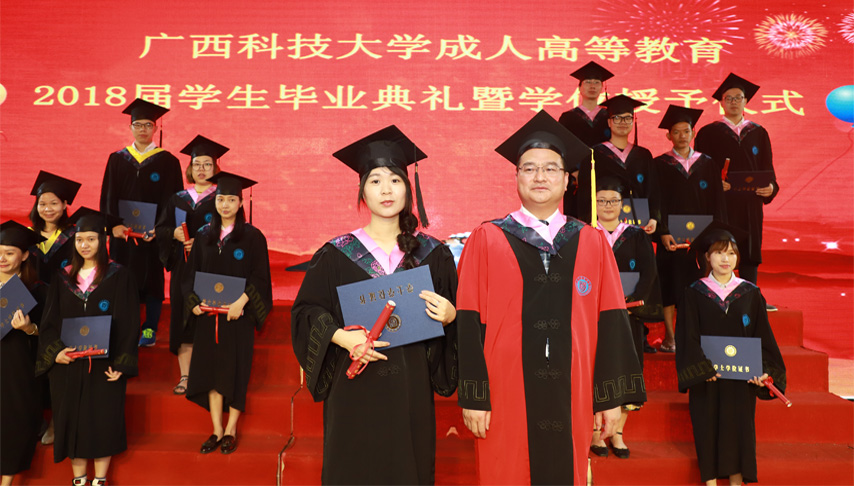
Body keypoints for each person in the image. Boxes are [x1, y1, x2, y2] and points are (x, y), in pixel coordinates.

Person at [456, 110, 645, 485]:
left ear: (568, 180)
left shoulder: (590, 241)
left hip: (572, 387)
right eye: (529, 169)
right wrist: (474, 396)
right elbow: (468, 319)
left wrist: (609, 398)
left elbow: (611, 320)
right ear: (516, 177)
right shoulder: (488, 238)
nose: (539, 177)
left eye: (550, 169)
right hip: (505, 388)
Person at [291, 125, 458, 485]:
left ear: (407, 189)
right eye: (376, 181)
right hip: (354, 390)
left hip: (410, 391)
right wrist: (341, 337)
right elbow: (306, 312)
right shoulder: (336, 254)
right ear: (362, 192)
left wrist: (451, 314)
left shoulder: (433, 254)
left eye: (395, 180)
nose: (386, 189)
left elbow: (457, 320)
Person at [35, 208, 140, 486]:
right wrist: (56, 353)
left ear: (102, 240)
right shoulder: (63, 277)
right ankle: (79, 479)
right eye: (80, 239)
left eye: (91, 239)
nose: (85, 245)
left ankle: (100, 480)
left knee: (101, 422)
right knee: (72, 422)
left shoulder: (119, 275)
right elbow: (49, 322)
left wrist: (121, 364)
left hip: (105, 365)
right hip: (69, 365)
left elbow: (129, 323)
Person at [675, 223, 786, 485]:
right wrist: (701, 369)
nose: (726, 259)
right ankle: (710, 482)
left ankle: (736, 482)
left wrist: (764, 371)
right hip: (708, 379)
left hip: (740, 380)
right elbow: (687, 337)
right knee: (708, 428)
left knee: (739, 431)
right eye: (719, 252)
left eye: (732, 253)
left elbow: (763, 336)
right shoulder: (694, 292)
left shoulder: (750, 293)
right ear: (707, 257)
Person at [184, 172, 272, 455]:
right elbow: (191, 274)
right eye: (221, 199)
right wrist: (193, 302)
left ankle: (231, 429)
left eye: (231, 200)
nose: (225, 205)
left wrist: (242, 302)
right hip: (208, 317)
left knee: (235, 370)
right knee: (210, 370)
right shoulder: (203, 236)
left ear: (240, 202)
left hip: (238, 317)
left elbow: (260, 277)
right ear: (215, 201)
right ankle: (216, 429)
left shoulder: (252, 237)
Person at [589, 176, 663, 459]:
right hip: (594, 317)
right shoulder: (585, 234)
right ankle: (595, 431)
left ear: (623, 204)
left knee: (626, 370)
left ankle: (618, 432)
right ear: (594, 203)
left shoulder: (636, 235)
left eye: (614, 201)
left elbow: (649, 272)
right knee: (596, 370)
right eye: (602, 200)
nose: (608, 205)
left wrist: (633, 302)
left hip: (628, 315)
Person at [99, 98, 183, 347]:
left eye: (148, 125)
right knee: (122, 279)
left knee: (153, 279)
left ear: (155, 128)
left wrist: (162, 229)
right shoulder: (117, 159)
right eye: (138, 125)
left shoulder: (168, 161)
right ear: (130, 128)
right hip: (122, 234)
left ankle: (149, 329)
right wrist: (112, 226)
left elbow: (172, 199)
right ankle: (127, 329)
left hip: (153, 234)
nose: (143, 129)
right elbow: (108, 196)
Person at [694, 73, 778, 302]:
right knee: (720, 247)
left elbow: (768, 169)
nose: (733, 102)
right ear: (721, 102)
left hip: (750, 204)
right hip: (721, 203)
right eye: (728, 98)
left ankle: (751, 299)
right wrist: (713, 184)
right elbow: (699, 170)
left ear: (745, 101)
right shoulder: (708, 132)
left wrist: (771, 187)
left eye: (738, 97)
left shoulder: (758, 132)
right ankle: (713, 297)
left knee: (749, 251)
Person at [155, 135, 224, 395]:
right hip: (183, 269)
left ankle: (206, 375)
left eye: (207, 164)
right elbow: (161, 229)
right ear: (190, 168)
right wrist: (172, 234)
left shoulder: (222, 198)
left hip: (211, 268)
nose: (202, 169)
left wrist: (204, 242)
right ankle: (185, 376)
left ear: (215, 168)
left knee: (206, 319)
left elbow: (232, 231)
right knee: (182, 321)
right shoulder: (178, 199)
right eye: (197, 164)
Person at [654, 105, 727, 353]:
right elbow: (656, 203)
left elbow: (717, 203)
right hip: (670, 240)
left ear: (693, 133)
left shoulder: (707, 164)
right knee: (669, 287)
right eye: (676, 132)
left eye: (686, 131)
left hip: (701, 240)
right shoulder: (660, 164)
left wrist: (715, 238)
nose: (682, 136)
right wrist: (662, 232)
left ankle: (696, 338)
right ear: (669, 136)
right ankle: (670, 337)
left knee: (699, 288)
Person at [0, 221, 47, 486]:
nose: (2, 258)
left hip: (17, 367)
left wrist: (29, 328)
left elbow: (50, 333)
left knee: (13, 419)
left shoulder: (37, 290)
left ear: (25, 255)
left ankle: (6, 482)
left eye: (9, 253)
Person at [577, 95, 660, 235]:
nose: (623, 122)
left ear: (633, 121)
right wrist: (589, 223)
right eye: (617, 118)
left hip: (639, 226)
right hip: (603, 228)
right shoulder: (594, 155)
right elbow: (584, 195)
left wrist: (654, 218)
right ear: (609, 122)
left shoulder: (643, 155)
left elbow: (653, 190)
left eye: (628, 118)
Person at [558, 61, 615, 217]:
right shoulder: (567, 118)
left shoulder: (609, 117)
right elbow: (561, 148)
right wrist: (573, 171)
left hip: (605, 178)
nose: (592, 86)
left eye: (596, 82)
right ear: (580, 88)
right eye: (588, 82)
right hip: (576, 179)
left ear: (602, 88)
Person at [29, 171, 81, 285]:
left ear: (64, 204)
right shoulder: (27, 235)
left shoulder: (76, 234)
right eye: (42, 204)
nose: (48, 209)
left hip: (66, 291)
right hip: (30, 294)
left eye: (53, 203)